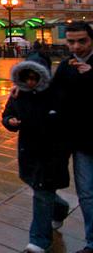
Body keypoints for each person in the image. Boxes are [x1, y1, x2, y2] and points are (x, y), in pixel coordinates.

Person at [2, 59, 70, 253]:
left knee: (41, 193)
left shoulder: (56, 95)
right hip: (29, 153)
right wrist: (10, 121)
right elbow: (7, 115)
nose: (31, 82)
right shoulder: (18, 94)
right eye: (27, 78)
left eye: (35, 78)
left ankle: (39, 241)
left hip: (51, 154)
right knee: (41, 190)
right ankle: (60, 208)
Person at [54, 22, 93, 253]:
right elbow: (52, 93)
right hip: (81, 141)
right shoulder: (67, 66)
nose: (76, 47)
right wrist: (23, 86)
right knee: (87, 193)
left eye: (82, 41)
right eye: (71, 42)